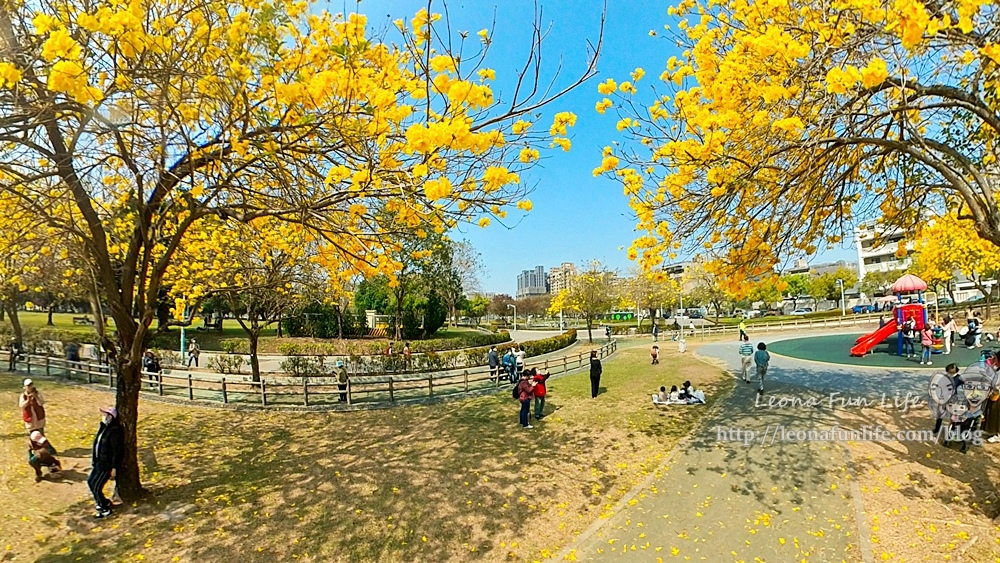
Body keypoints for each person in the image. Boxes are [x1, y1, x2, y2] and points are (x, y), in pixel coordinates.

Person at [89, 406, 124, 518]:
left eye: (106, 414)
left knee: (96, 486)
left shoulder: (115, 431)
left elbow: (117, 451)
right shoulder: (103, 428)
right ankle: (103, 502)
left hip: (106, 465)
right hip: (98, 463)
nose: (103, 416)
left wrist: (114, 467)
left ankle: (105, 509)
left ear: (111, 417)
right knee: (91, 482)